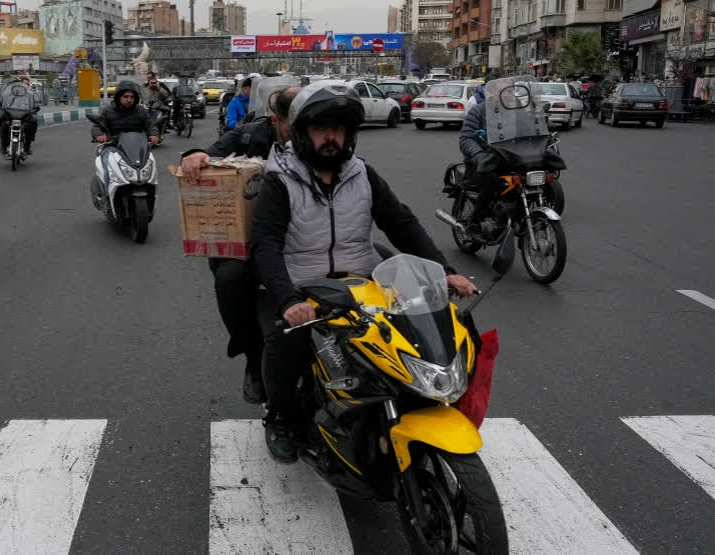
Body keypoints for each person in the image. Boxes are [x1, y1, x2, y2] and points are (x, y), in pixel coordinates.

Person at [253, 81, 477, 463]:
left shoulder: (362, 175)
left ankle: (419, 402)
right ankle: (281, 417)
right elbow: (266, 245)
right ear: (303, 132)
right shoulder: (280, 181)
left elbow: (401, 224)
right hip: (304, 284)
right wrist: (289, 299)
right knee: (286, 341)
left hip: (363, 279)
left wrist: (446, 271)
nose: (331, 137)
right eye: (322, 128)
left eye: (339, 129)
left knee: (431, 328)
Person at [180, 85, 301, 404]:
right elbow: (211, 151)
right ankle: (251, 354)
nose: (307, 131)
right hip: (247, 242)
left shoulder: (323, 141)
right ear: (276, 119)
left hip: (303, 238)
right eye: (296, 122)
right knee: (230, 278)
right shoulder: (250, 135)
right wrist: (194, 156)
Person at [459, 96, 499, 237]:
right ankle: (476, 221)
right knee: (491, 181)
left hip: (509, 159)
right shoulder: (479, 111)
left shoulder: (517, 110)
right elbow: (466, 139)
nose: (507, 94)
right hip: (482, 162)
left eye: (509, 90)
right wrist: (478, 154)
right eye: (501, 90)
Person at [91, 80, 160, 146]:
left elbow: (151, 125)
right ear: (118, 97)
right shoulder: (107, 110)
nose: (129, 100)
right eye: (125, 96)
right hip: (113, 147)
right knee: (101, 157)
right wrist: (99, 135)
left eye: (132, 97)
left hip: (137, 147)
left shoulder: (141, 110)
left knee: (150, 158)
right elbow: (97, 126)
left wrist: (154, 134)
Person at [0, 73, 41, 157]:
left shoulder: (27, 92)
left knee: (33, 122)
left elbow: (32, 102)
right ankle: (3, 146)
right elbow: (0, 102)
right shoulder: (6, 93)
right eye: (12, 84)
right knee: (1, 122)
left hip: (23, 114)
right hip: (9, 114)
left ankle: (27, 146)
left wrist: (34, 107)